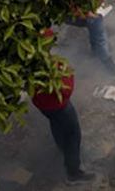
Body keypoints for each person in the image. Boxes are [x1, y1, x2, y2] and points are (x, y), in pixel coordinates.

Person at [31, 54, 95, 184]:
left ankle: (61, 147)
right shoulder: (53, 66)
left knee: (56, 124)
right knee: (73, 134)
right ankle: (73, 173)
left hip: (43, 105)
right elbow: (66, 90)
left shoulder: (27, 65)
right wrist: (67, 72)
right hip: (58, 105)